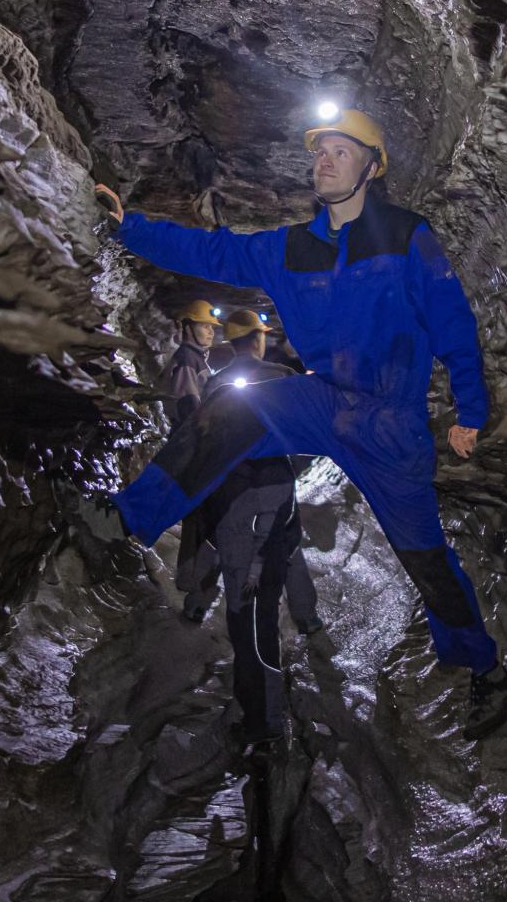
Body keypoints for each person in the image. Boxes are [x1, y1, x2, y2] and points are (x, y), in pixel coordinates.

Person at [91, 106, 507, 741]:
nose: (324, 161)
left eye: (341, 152)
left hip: (391, 425)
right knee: (236, 405)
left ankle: (484, 669)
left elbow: (453, 325)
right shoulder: (288, 248)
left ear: (370, 168)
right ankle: (129, 518)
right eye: (320, 152)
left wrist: (471, 411)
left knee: (427, 561)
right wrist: (129, 229)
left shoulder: (407, 236)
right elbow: (212, 250)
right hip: (325, 402)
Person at [204, 308, 311, 747]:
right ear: (258, 339)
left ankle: (260, 715)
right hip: (275, 516)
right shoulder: (284, 379)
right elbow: (306, 446)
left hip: (233, 518)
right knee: (263, 616)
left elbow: (202, 455)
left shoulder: (215, 385)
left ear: (231, 342)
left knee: (240, 618)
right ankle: (264, 715)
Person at [162, 300, 226, 619]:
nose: (210, 332)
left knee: (199, 518)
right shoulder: (188, 359)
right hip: (193, 446)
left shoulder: (198, 359)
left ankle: (195, 587)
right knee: (201, 519)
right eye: (204, 326)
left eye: (212, 328)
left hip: (194, 445)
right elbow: (189, 405)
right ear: (187, 327)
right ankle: (193, 589)